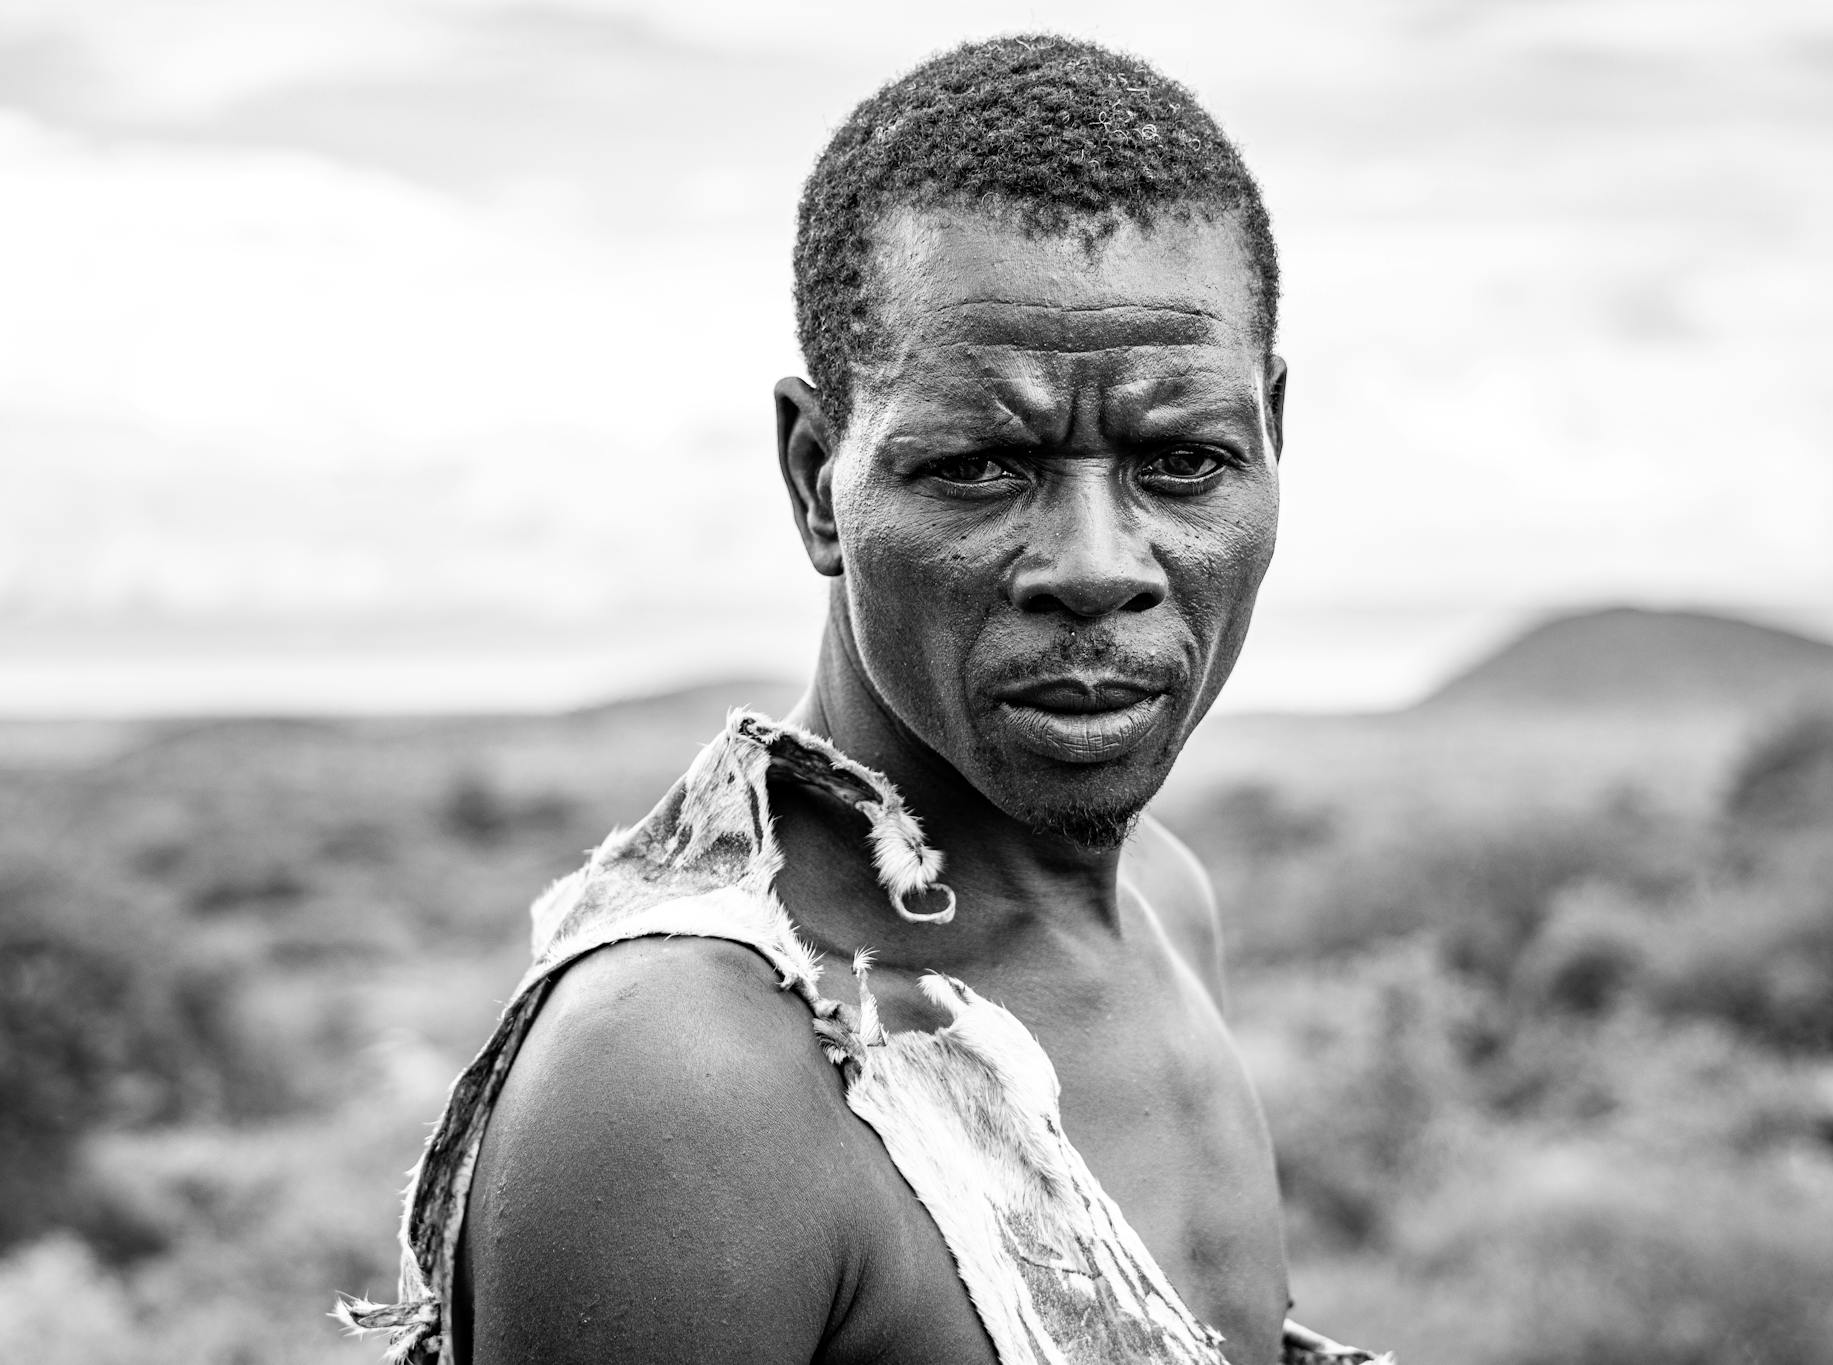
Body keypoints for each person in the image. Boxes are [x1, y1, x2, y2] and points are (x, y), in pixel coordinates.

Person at [338, 34, 1382, 1365]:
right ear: (816, 476)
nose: (1096, 566)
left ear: (1271, 441)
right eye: (982, 465)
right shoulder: (689, 1087)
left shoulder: (1165, 907)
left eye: (1182, 460)